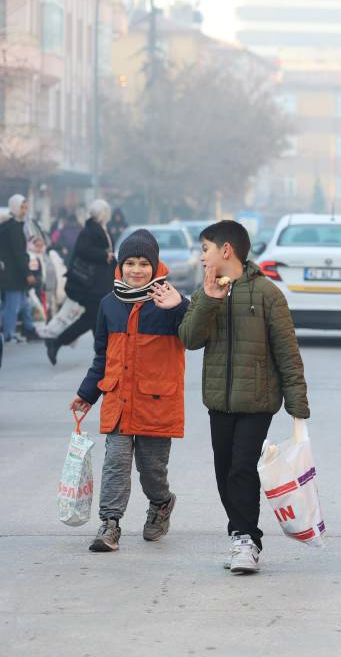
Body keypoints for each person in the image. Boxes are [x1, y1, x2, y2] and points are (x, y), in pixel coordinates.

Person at [178, 220, 310, 575]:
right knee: (225, 472)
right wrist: (209, 301)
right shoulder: (203, 292)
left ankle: (245, 538)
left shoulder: (267, 293)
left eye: (205, 249)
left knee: (241, 470)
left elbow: (287, 352)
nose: (202, 257)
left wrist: (298, 404)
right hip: (219, 402)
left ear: (226, 250)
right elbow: (188, 339)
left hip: (257, 401)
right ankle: (241, 533)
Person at [69, 230, 188, 552]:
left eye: (144, 263)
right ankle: (110, 524)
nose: (136, 270)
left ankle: (161, 503)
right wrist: (87, 393)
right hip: (118, 400)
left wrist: (180, 307)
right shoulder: (109, 305)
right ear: (120, 266)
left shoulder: (169, 301)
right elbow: (103, 356)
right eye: (130, 263)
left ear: (155, 265)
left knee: (152, 471)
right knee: (115, 465)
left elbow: (193, 335)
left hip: (156, 402)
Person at [46, 199, 115, 365]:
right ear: (103, 213)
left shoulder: (99, 228)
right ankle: (57, 342)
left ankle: (102, 354)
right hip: (90, 285)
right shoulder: (90, 230)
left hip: (98, 284)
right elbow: (84, 250)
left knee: (95, 319)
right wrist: (104, 255)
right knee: (92, 319)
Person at [0, 194, 35, 343]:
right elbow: (18, 254)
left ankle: (24, 329)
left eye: (26, 207)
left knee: (21, 304)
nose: (24, 210)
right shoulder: (13, 227)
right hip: (12, 274)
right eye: (22, 207)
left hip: (12, 273)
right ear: (14, 207)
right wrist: (27, 273)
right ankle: (9, 334)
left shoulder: (13, 225)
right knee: (12, 306)